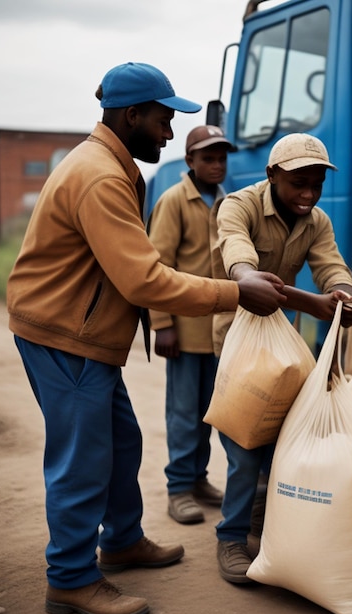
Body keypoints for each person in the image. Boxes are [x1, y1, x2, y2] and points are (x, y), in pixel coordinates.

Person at [6, 62, 286, 614]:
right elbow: (144, 279)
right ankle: (70, 579)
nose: (167, 133)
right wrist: (237, 292)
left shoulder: (110, 162)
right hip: (66, 334)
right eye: (163, 120)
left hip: (85, 334)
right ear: (131, 115)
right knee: (83, 459)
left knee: (122, 443)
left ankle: (123, 540)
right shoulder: (101, 175)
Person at [213, 132, 352, 584]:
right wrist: (307, 300)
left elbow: (330, 266)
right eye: (299, 182)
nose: (308, 194)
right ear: (271, 175)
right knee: (244, 443)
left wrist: (348, 295)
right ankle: (231, 537)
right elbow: (240, 262)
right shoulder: (238, 205)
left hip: (286, 347)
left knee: (284, 441)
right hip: (240, 340)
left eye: (316, 184)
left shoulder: (315, 220)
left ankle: (274, 527)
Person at [148, 125, 237, 525]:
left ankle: (199, 480)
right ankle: (179, 488)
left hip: (221, 334)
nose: (217, 165)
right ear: (189, 162)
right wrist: (162, 324)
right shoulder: (173, 201)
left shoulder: (228, 203)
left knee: (210, 412)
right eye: (208, 158)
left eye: (221, 158)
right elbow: (156, 267)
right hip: (183, 333)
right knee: (184, 413)